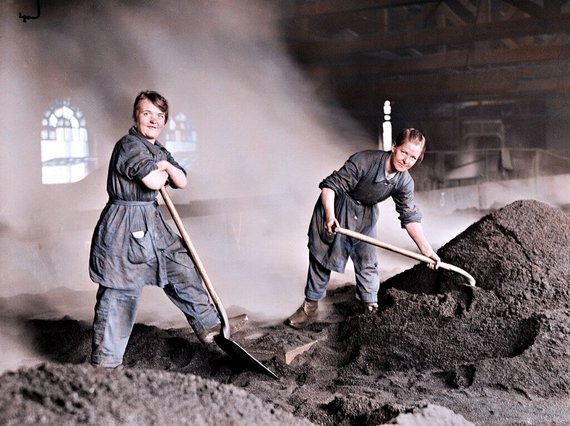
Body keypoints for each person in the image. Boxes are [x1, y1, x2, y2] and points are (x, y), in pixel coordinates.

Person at [89, 90, 246, 368]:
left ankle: (208, 323)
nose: (153, 120)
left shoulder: (158, 149)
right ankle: (106, 363)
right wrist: (163, 170)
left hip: (151, 220)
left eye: (159, 116)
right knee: (120, 291)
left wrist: (165, 166)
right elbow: (151, 180)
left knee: (180, 265)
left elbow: (182, 180)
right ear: (136, 116)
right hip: (125, 222)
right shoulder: (129, 145)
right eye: (147, 113)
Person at [286, 128, 441, 329]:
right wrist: (330, 216)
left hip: (365, 215)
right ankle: (310, 307)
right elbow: (330, 187)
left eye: (413, 157)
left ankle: (369, 306)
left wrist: (427, 251)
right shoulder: (364, 161)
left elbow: (409, 216)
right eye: (404, 152)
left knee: (367, 259)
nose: (406, 160)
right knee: (323, 257)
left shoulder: (404, 181)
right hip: (337, 206)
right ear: (394, 147)